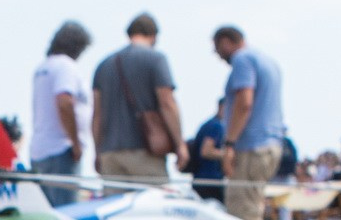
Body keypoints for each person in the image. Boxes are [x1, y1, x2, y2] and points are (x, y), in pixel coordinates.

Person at [211, 25, 285, 220]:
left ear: (226, 42)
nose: (217, 54)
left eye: (217, 48)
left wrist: (230, 144)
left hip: (251, 147)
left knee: (245, 218)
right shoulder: (267, 61)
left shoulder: (243, 60)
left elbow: (245, 103)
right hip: (269, 144)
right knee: (251, 213)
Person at [89, 13, 182, 187]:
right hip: (144, 152)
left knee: (117, 211)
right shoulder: (156, 59)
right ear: (153, 36)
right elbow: (167, 103)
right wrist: (180, 145)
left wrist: (97, 152)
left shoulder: (104, 65)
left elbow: (97, 115)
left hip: (110, 154)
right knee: (152, 209)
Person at [27, 22, 94, 206]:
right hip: (61, 149)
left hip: (40, 149)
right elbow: (64, 102)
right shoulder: (66, 66)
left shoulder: (42, 68)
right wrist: (75, 142)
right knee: (66, 214)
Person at [185, 102, 228, 202]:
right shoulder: (216, 126)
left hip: (201, 179)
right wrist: (228, 155)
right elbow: (206, 151)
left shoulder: (209, 124)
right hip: (210, 180)